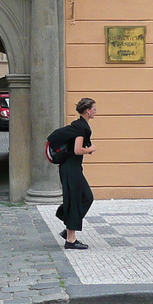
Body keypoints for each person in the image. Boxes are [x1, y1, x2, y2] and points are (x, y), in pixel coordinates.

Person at [54, 98, 98, 250]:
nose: (95, 111)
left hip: (73, 167)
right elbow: (77, 150)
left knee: (86, 197)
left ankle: (67, 227)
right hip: (70, 168)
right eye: (94, 109)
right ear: (87, 111)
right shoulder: (80, 128)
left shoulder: (80, 126)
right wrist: (90, 149)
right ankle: (71, 240)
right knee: (75, 199)